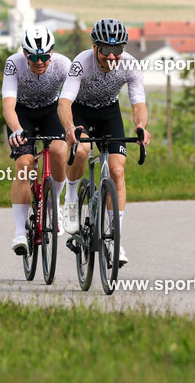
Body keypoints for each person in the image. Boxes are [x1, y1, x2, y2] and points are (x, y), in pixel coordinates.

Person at [58, 18, 151, 267]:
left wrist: (141, 126)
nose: (111, 56)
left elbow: (138, 102)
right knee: (83, 149)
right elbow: (65, 102)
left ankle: (114, 241)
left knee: (118, 170)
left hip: (109, 113)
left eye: (117, 50)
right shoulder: (81, 62)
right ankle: (71, 201)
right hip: (81, 112)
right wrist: (69, 128)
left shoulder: (130, 65)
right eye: (106, 50)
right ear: (95, 47)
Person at [3, 26, 70, 255]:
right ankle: (20, 232)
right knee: (24, 165)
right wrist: (16, 130)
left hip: (52, 110)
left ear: (52, 52)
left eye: (44, 57)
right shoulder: (14, 64)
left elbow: (72, 99)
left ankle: (54, 204)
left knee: (60, 151)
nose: (39, 62)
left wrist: (73, 128)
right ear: (25, 54)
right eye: (34, 58)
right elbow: (8, 105)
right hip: (22, 114)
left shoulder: (63, 64)